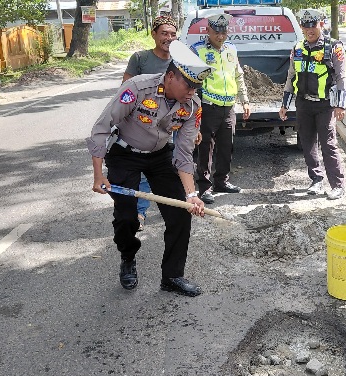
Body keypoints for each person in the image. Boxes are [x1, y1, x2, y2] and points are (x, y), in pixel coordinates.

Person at [87, 40, 211, 297]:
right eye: (188, 85)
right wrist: (99, 174)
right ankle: (128, 257)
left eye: (196, 86)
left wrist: (191, 195)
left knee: (180, 213)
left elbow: (184, 153)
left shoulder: (191, 106)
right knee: (127, 216)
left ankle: (172, 276)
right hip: (125, 154)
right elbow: (101, 128)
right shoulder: (136, 88)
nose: (192, 91)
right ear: (170, 76)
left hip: (160, 156)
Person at [278, 9, 346, 200]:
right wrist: (285, 104)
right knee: (307, 144)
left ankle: (337, 184)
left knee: (328, 144)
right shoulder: (298, 48)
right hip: (303, 104)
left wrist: (340, 105)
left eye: (313, 26)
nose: (310, 30)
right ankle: (316, 180)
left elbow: (341, 77)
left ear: (321, 25)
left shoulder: (333, 47)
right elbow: (291, 76)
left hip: (325, 104)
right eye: (306, 27)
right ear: (301, 27)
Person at [123, 15, 178, 231]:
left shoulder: (180, 61)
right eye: (164, 33)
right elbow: (125, 88)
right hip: (142, 124)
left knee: (170, 167)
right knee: (144, 169)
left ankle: (172, 209)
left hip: (169, 124)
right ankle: (140, 212)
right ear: (154, 34)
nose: (169, 38)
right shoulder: (140, 58)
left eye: (173, 34)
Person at [190, 13, 251, 204]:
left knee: (227, 147)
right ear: (208, 31)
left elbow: (238, 76)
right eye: (216, 32)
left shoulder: (231, 49)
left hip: (228, 107)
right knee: (205, 148)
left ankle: (221, 181)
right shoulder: (197, 50)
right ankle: (204, 187)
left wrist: (245, 100)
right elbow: (188, 79)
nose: (221, 36)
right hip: (207, 106)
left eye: (224, 32)